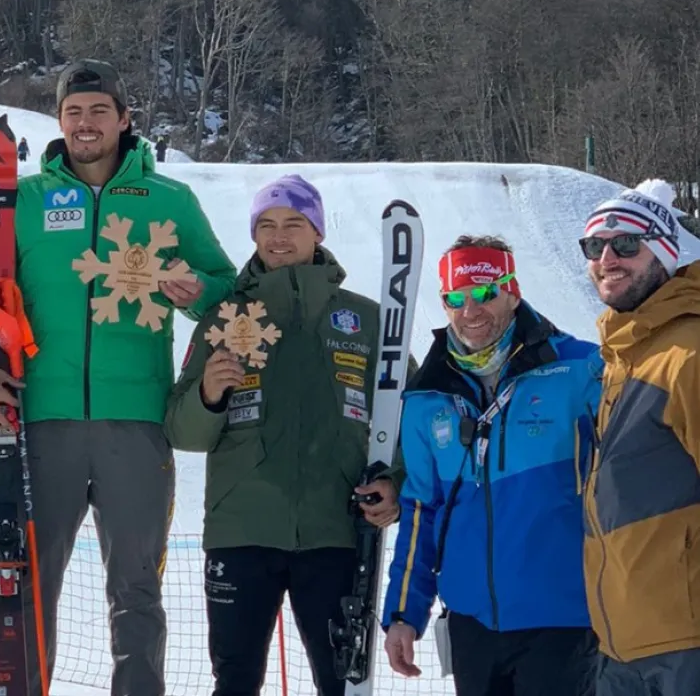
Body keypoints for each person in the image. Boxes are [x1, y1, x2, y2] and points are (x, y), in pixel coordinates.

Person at [0, 58, 237, 695]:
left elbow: (224, 290)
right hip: (41, 417)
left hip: (135, 424)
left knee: (137, 588)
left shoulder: (169, 200)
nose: (85, 124)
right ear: (58, 120)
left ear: (124, 119)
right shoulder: (23, 200)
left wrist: (193, 293)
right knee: (28, 581)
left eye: (98, 111)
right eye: (73, 112)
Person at [164, 175, 403, 696]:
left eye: (293, 223)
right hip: (241, 531)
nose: (278, 236)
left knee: (341, 683)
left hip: (334, 533)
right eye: (266, 226)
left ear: (317, 231)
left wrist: (397, 485)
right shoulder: (224, 320)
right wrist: (208, 395)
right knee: (234, 682)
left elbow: (407, 420)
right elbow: (182, 431)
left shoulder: (365, 320)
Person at [381, 235, 601, 695]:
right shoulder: (426, 397)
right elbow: (421, 509)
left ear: (512, 291)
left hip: (564, 617)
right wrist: (404, 613)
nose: (470, 310)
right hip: (471, 623)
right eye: (455, 298)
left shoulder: (580, 369)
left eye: (484, 293)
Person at [579, 180, 700, 695]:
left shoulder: (687, 355)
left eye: (628, 244)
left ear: (665, 253)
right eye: (595, 246)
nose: (609, 257)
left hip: (683, 646)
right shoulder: (621, 358)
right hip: (621, 641)